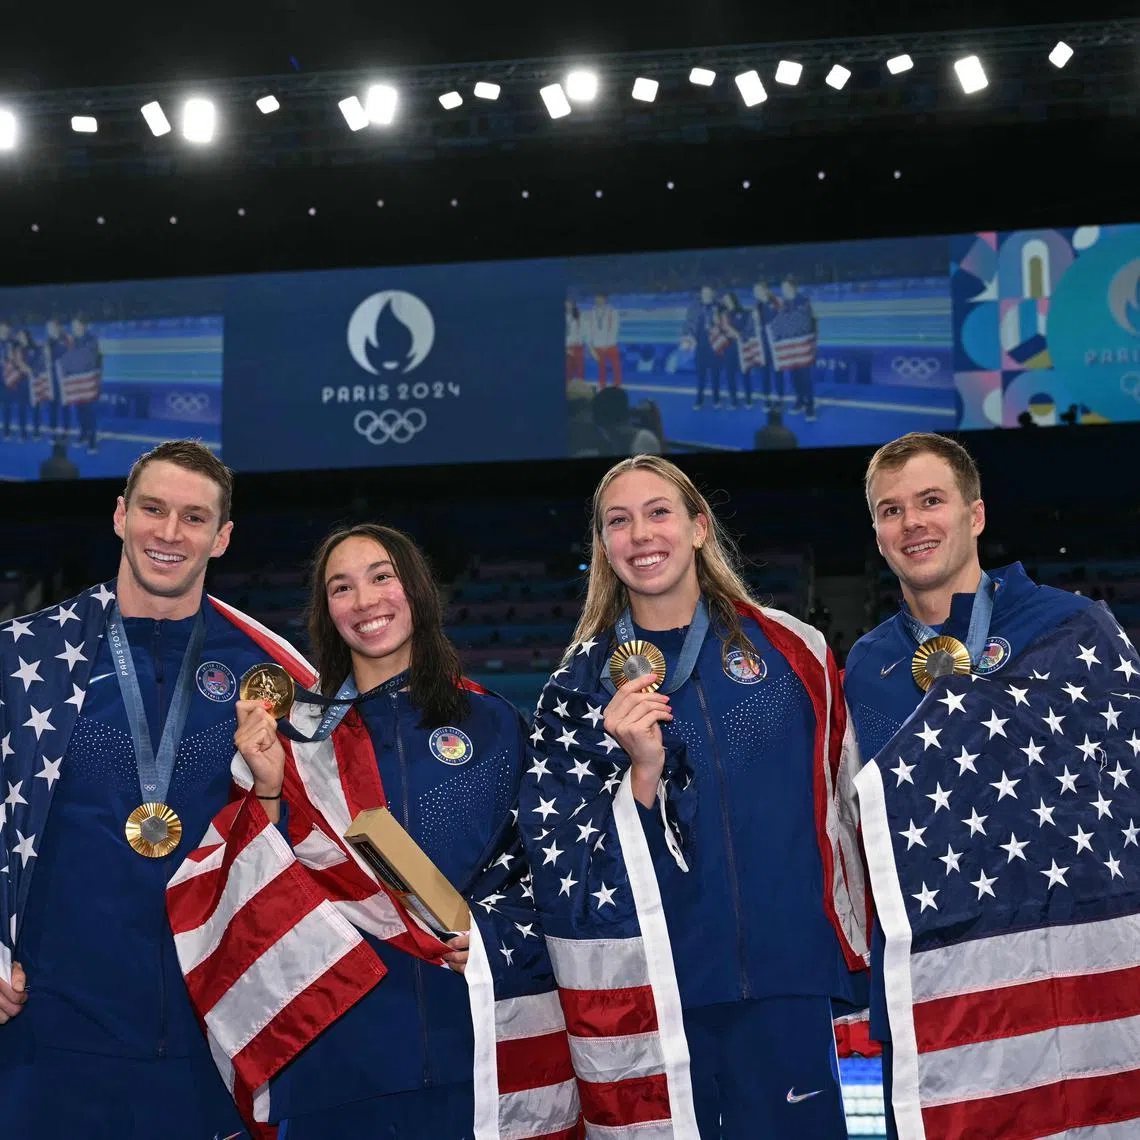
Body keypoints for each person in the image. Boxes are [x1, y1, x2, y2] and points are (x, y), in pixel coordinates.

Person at [520, 454, 868, 1138]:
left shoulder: (793, 649)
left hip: (784, 979)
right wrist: (642, 779)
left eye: (659, 513)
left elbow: (844, 807)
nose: (641, 535)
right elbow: (563, 861)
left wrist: (849, 954)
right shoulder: (578, 686)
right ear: (603, 546)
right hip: (656, 992)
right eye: (618, 522)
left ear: (699, 528)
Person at [0, 439, 308, 1140]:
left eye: (194, 518)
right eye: (153, 509)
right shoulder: (26, 657)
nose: (169, 534)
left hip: (208, 1042)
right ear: (119, 516)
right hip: (47, 1036)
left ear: (222, 537)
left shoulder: (272, 677)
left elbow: (303, 847)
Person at [183, 523, 527, 1139]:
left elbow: (533, 869)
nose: (365, 602)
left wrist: (497, 938)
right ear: (326, 612)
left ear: (415, 590)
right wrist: (266, 786)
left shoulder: (495, 722)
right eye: (342, 588)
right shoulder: (294, 736)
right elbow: (249, 888)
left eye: (381, 577)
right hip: (338, 1053)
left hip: (468, 1043)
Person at [843, 432, 1099, 1140]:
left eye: (931, 501)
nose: (912, 523)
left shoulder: (1070, 629)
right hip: (935, 994)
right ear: (877, 533)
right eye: (891, 511)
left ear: (975, 515)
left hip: (1057, 982)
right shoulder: (867, 666)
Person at [769, 276, 818, 422]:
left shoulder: (803, 301)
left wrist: (783, 318)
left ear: (793, 288)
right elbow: (777, 323)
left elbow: (802, 321)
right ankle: (799, 401)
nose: (784, 291)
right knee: (795, 377)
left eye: (786, 288)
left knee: (805, 378)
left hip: (802, 347)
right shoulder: (782, 304)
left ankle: (810, 407)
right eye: (783, 288)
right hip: (790, 348)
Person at [683, 285, 727, 410]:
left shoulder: (719, 307)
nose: (706, 295)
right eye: (704, 293)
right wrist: (688, 339)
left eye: (708, 293)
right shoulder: (695, 308)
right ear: (701, 294)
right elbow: (688, 324)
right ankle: (699, 400)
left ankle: (716, 399)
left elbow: (726, 323)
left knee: (715, 375)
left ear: (712, 294)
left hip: (715, 346)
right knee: (701, 375)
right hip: (701, 346)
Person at [583, 293, 622, 389]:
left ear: (605, 299)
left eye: (600, 299)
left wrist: (608, 343)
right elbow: (588, 330)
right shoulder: (591, 313)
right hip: (597, 345)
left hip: (610, 345)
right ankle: (602, 385)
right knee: (601, 368)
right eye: (596, 299)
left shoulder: (613, 312)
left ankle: (617, 385)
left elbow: (615, 328)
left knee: (616, 366)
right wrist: (590, 345)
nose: (598, 301)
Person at [717, 291, 749, 409]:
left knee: (745, 373)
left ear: (734, 299)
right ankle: (733, 400)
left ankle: (748, 398)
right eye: (725, 300)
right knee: (730, 374)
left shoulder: (743, 313)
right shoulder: (722, 315)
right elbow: (720, 331)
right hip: (728, 347)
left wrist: (739, 335)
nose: (726, 302)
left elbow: (748, 329)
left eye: (728, 299)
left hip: (741, 347)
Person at [565, 297, 585, 383]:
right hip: (567, 348)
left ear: (573, 304)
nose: (568, 304)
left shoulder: (579, 316)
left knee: (580, 371)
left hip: (578, 347)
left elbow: (582, 331)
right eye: (566, 302)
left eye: (570, 302)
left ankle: (580, 389)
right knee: (568, 371)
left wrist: (580, 341)